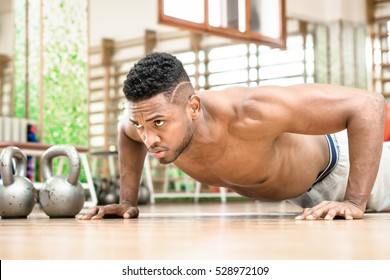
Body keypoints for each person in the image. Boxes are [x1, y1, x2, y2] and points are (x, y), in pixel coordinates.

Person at [80, 52, 390, 221]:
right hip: (306, 199)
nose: (149, 139)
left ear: (193, 107)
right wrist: (126, 201)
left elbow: (369, 105)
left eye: (158, 122)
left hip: (352, 169)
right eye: (141, 124)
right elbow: (126, 132)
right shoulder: (147, 123)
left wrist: (353, 200)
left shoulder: (253, 111)